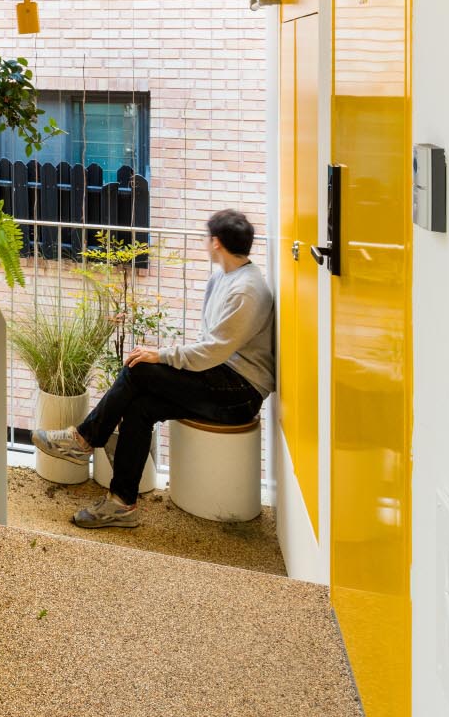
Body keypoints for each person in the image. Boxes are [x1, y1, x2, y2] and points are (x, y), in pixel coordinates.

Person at [32, 208, 274, 529]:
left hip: (240, 394)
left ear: (215, 243)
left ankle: (83, 440)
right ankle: (122, 504)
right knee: (141, 407)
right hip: (220, 378)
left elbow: (214, 351)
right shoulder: (223, 278)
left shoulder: (247, 290)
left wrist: (161, 355)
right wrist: (167, 359)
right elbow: (211, 350)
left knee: (139, 368)